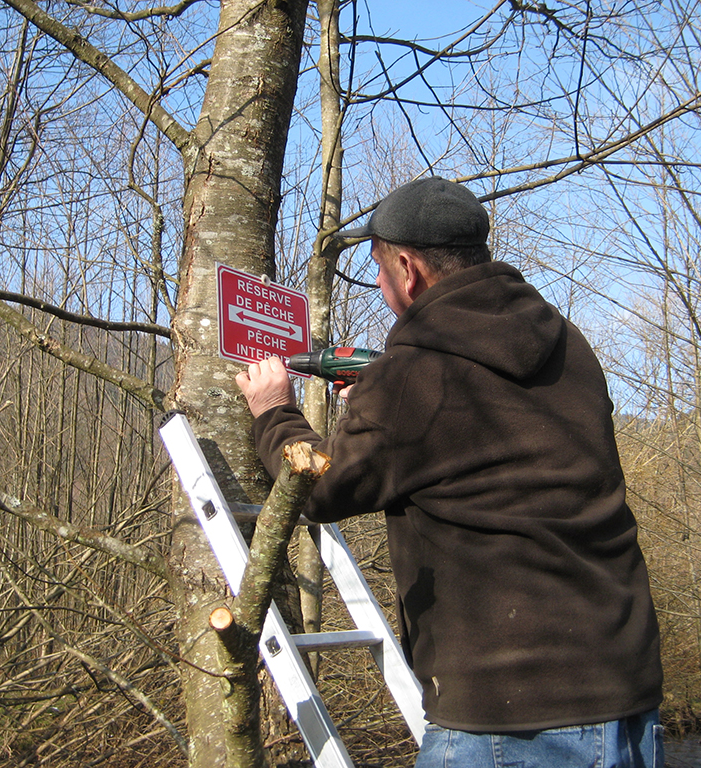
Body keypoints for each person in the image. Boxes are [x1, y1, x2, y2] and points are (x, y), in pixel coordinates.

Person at [236, 177, 664, 768]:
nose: (379, 283)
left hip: (511, 717)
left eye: (379, 269)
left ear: (408, 270)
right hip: (628, 691)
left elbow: (321, 487)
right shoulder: (569, 344)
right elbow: (489, 445)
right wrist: (383, 409)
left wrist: (274, 411)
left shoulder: (416, 373)